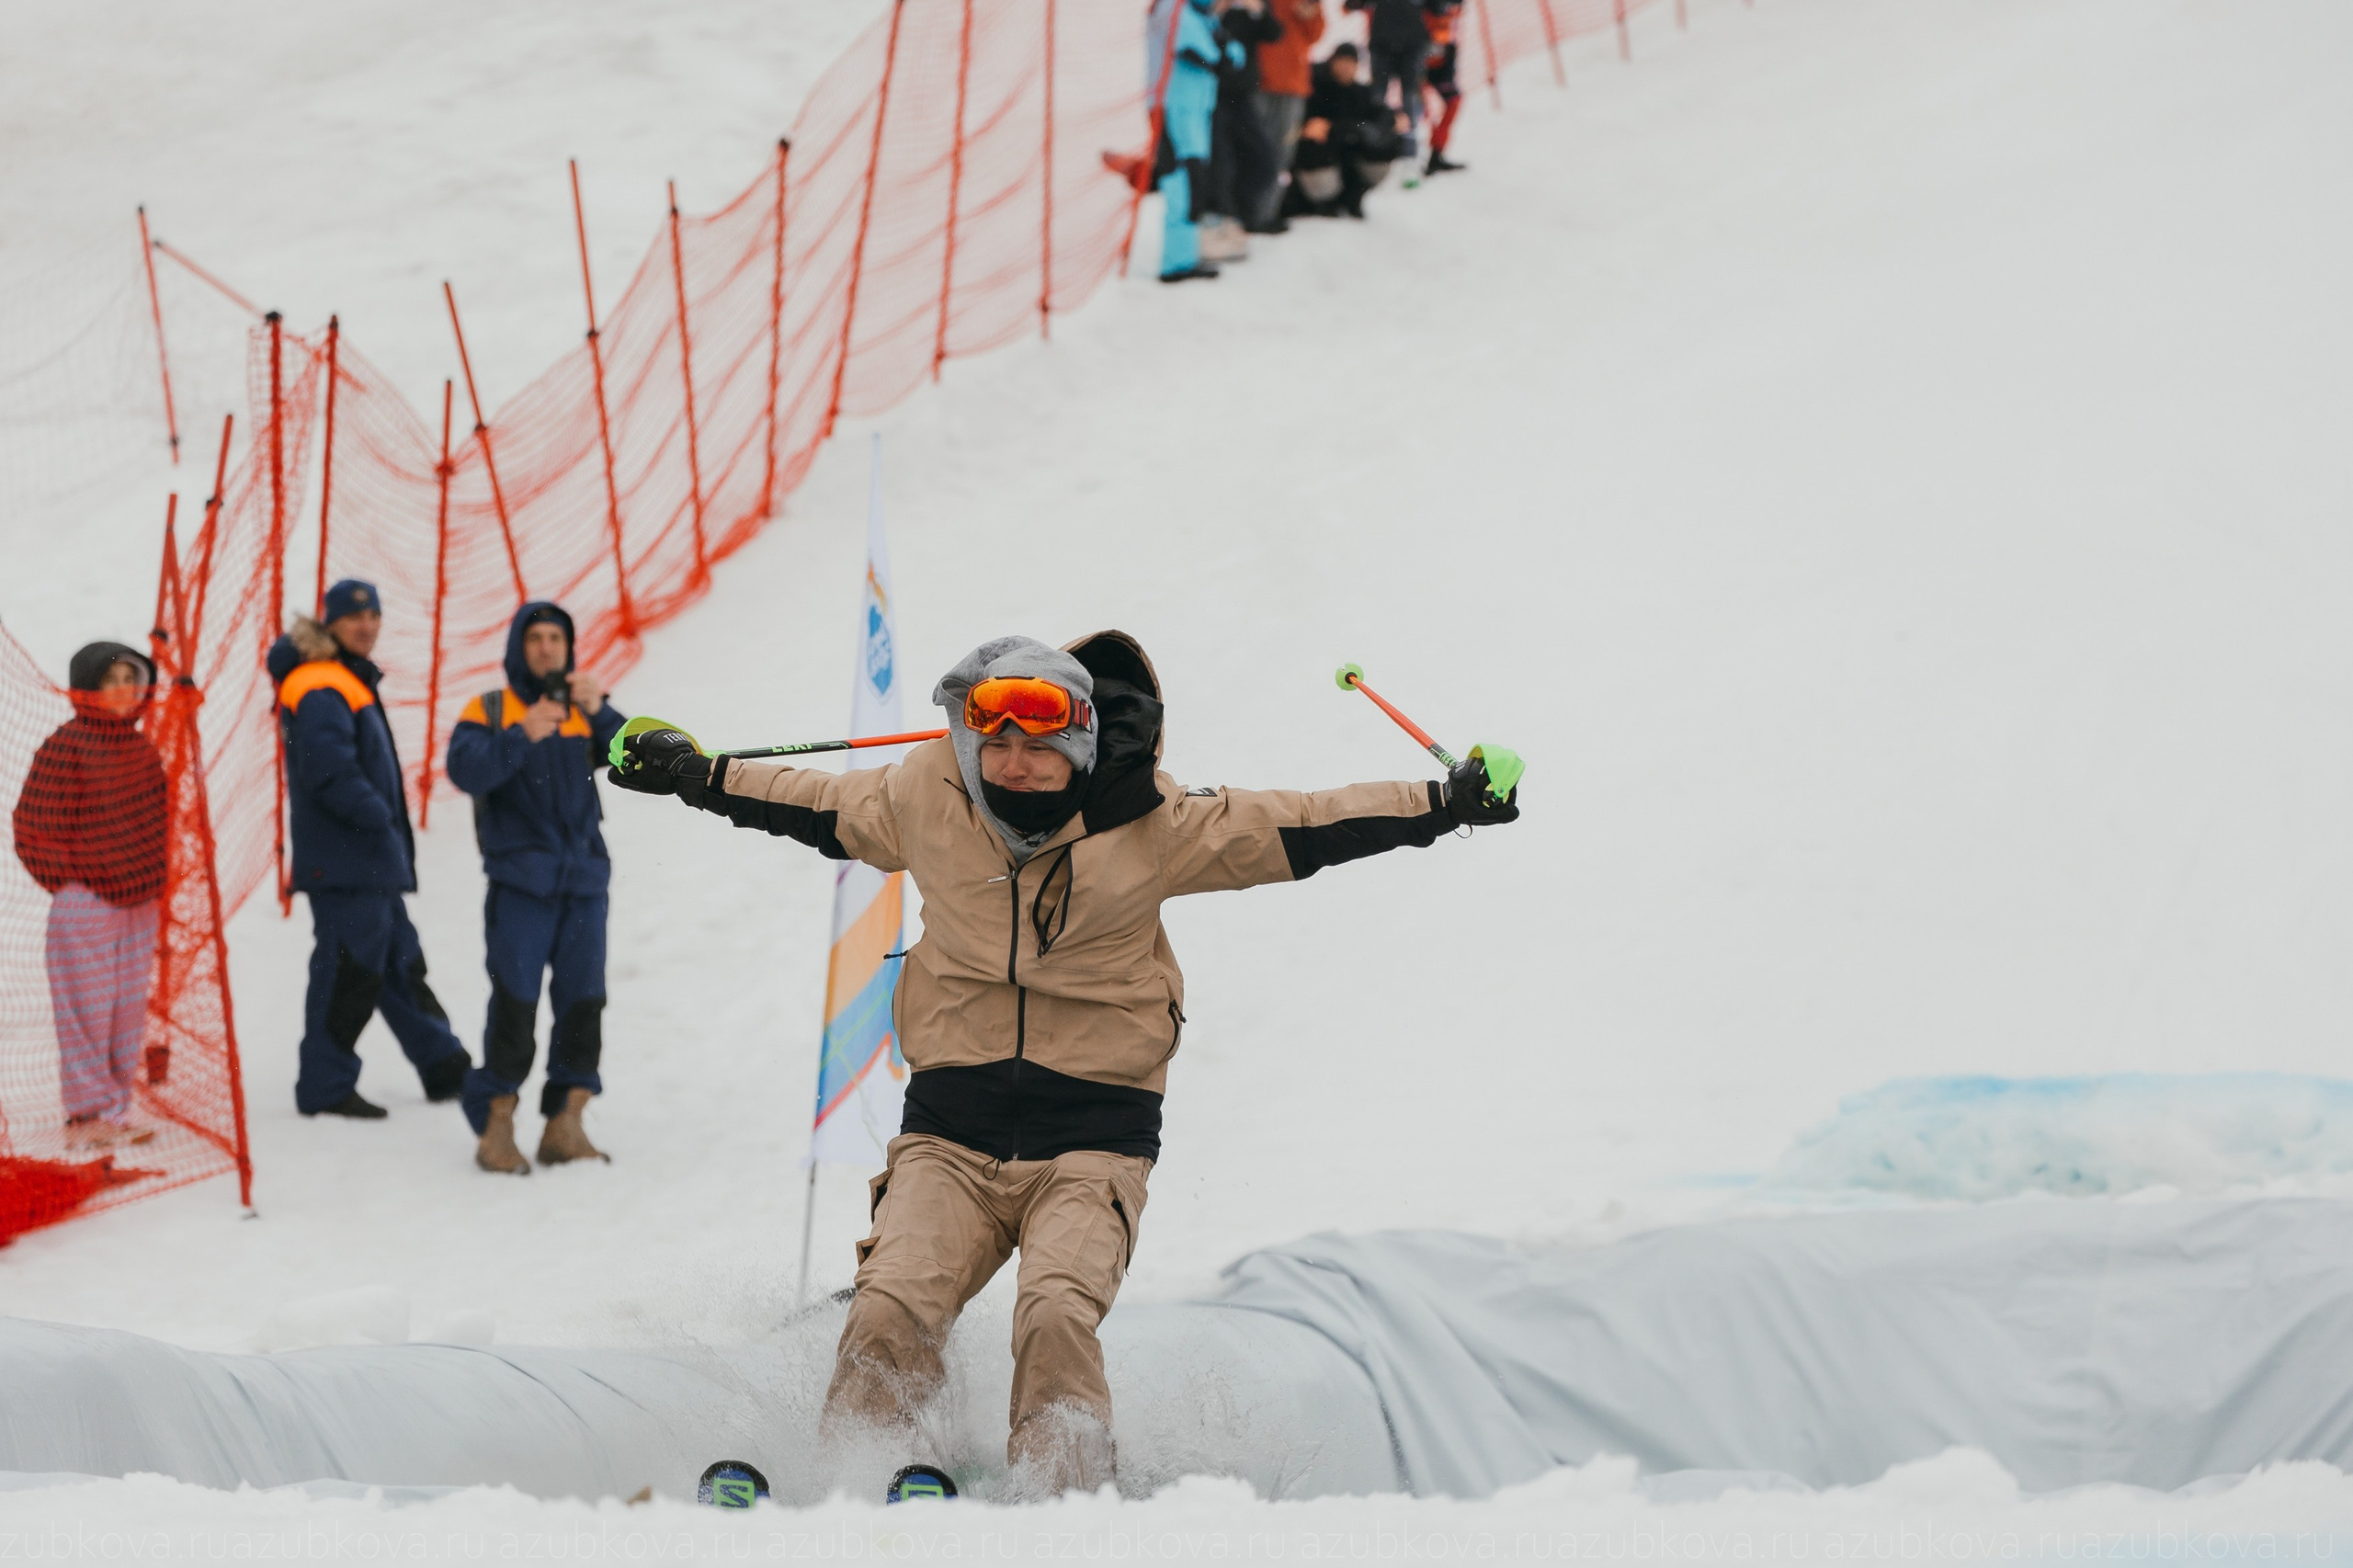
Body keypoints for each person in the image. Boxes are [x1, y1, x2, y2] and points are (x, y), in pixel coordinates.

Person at [608, 631, 1520, 1496]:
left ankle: (1060, 1488)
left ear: (1080, 746)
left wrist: (1447, 802)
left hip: (1092, 1138)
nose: (1014, 760)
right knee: (889, 1306)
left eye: (1039, 744)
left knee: (1052, 1313)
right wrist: (689, 771)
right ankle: (859, 1476)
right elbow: (802, 798)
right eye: (993, 739)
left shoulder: (1155, 823)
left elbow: (1304, 823)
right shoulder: (921, 796)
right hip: (950, 1134)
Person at [268, 579, 472, 1119]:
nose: (367, 625)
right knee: (349, 969)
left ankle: (443, 1063)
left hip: (366, 860)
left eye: (374, 615)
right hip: (345, 861)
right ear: (329, 624)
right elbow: (328, 767)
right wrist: (377, 816)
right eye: (355, 617)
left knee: (401, 964)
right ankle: (325, 1084)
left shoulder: (344, 677)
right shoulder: (319, 681)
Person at [445, 601, 625, 1176]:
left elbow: (638, 762)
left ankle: (564, 1124)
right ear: (517, 646)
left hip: (583, 884)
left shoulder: (581, 710)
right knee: (515, 1003)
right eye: (536, 637)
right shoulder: (492, 708)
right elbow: (464, 771)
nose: (547, 648)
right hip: (521, 885)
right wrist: (520, 735)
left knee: (583, 1003)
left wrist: (602, 713)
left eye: (556, 637)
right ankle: (496, 1124)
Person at [12, 642, 167, 1150]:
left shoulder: (142, 750)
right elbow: (32, 827)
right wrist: (75, 883)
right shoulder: (68, 745)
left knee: (125, 1012)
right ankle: (87, 1114)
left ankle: (116, 1106)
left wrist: (149, 879)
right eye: (113, 677)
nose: (126, 687)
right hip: (90, 907)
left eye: (134, 676)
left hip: (139, 905)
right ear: (88, 687)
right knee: (87, 1011)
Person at [1146, 0, 1243, 282]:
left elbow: (1235, 58)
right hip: (1174, 107)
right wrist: (1219, 55)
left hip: (1196, 108)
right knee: (1181, 180)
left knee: (1193, 181)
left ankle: (1183, 257)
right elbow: (1199, 54)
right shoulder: (1175, 11)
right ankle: (1174, 263)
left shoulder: (1204, 18)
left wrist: (1220, 53)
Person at [1290, 44, 1409, 220]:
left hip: (1349, 161)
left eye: (1350, 63)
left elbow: (1381, 116)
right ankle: (1323, 202)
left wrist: (1393, 119)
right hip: (1319, 160)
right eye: (1341, 62)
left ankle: (1352, 198)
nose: (1345, 67)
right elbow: (1311, 128)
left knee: (1380, 151)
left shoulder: (1362, 93)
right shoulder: (1316, 89)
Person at [1207, 0, 1285, 247]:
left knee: (1264, 159)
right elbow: (1191, 30)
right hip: (1211, 94)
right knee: (1221, 163)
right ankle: (1222, 222)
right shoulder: (1209, 8)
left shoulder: (1254, 5)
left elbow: (1274, 33)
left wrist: (1258, 10)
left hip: (1243, 96)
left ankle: (1243, 215)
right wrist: (1216, 12)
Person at [1252, 0, 1327, 218]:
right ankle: (1249, 211)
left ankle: (1267, 212)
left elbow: (1316, 33)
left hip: (1292, 85)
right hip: (1259, 82)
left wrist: (1310, 13)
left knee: (1281, 153)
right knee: (1255, 149)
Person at [1346, 0, 1436, 161]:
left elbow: (1437, 7)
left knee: (1410, 98)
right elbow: (1351, 5)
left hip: (1412, 46)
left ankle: (1409, 151)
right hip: (1383, 45)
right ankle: (1373, 147)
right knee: (1377, 98)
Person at [1422, 0, 1469, 176]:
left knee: (1452, 102)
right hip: (1424, 63)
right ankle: (1413, 158)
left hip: (1442, 63)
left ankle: (1436, 153)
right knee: (1420, 111)